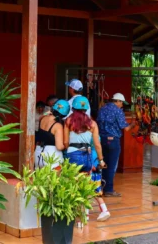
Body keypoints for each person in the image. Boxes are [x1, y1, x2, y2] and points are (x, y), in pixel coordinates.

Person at [63, 96, 108, 224]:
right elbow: (97, 145)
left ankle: (80, 217)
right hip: (86, 156)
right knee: (86, 185)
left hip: (73, 155)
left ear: (73, 108)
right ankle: (85, 217)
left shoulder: (68, 121)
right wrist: (101, 160)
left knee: (74, 185)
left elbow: (65, 142)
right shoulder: (92, 124)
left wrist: (68, 149)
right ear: (86, 108)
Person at [97, 93, 135, 197]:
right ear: (117, 101)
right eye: (121, 102)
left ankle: (101, 187)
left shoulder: (102, 109)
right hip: (113, 140)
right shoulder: (118, 111)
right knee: (112, 166)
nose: (122, 105)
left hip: (102, 140)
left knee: (103, 164)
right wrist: (132, 124)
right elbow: (125, 128)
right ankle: (109, 190)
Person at [35, 99, 70, 170]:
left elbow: (40, 117)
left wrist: (47, 113)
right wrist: (66, 145)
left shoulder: (43, 119)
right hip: (51, 155)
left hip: (38, 153)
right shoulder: (57, 125)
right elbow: (59, 146)